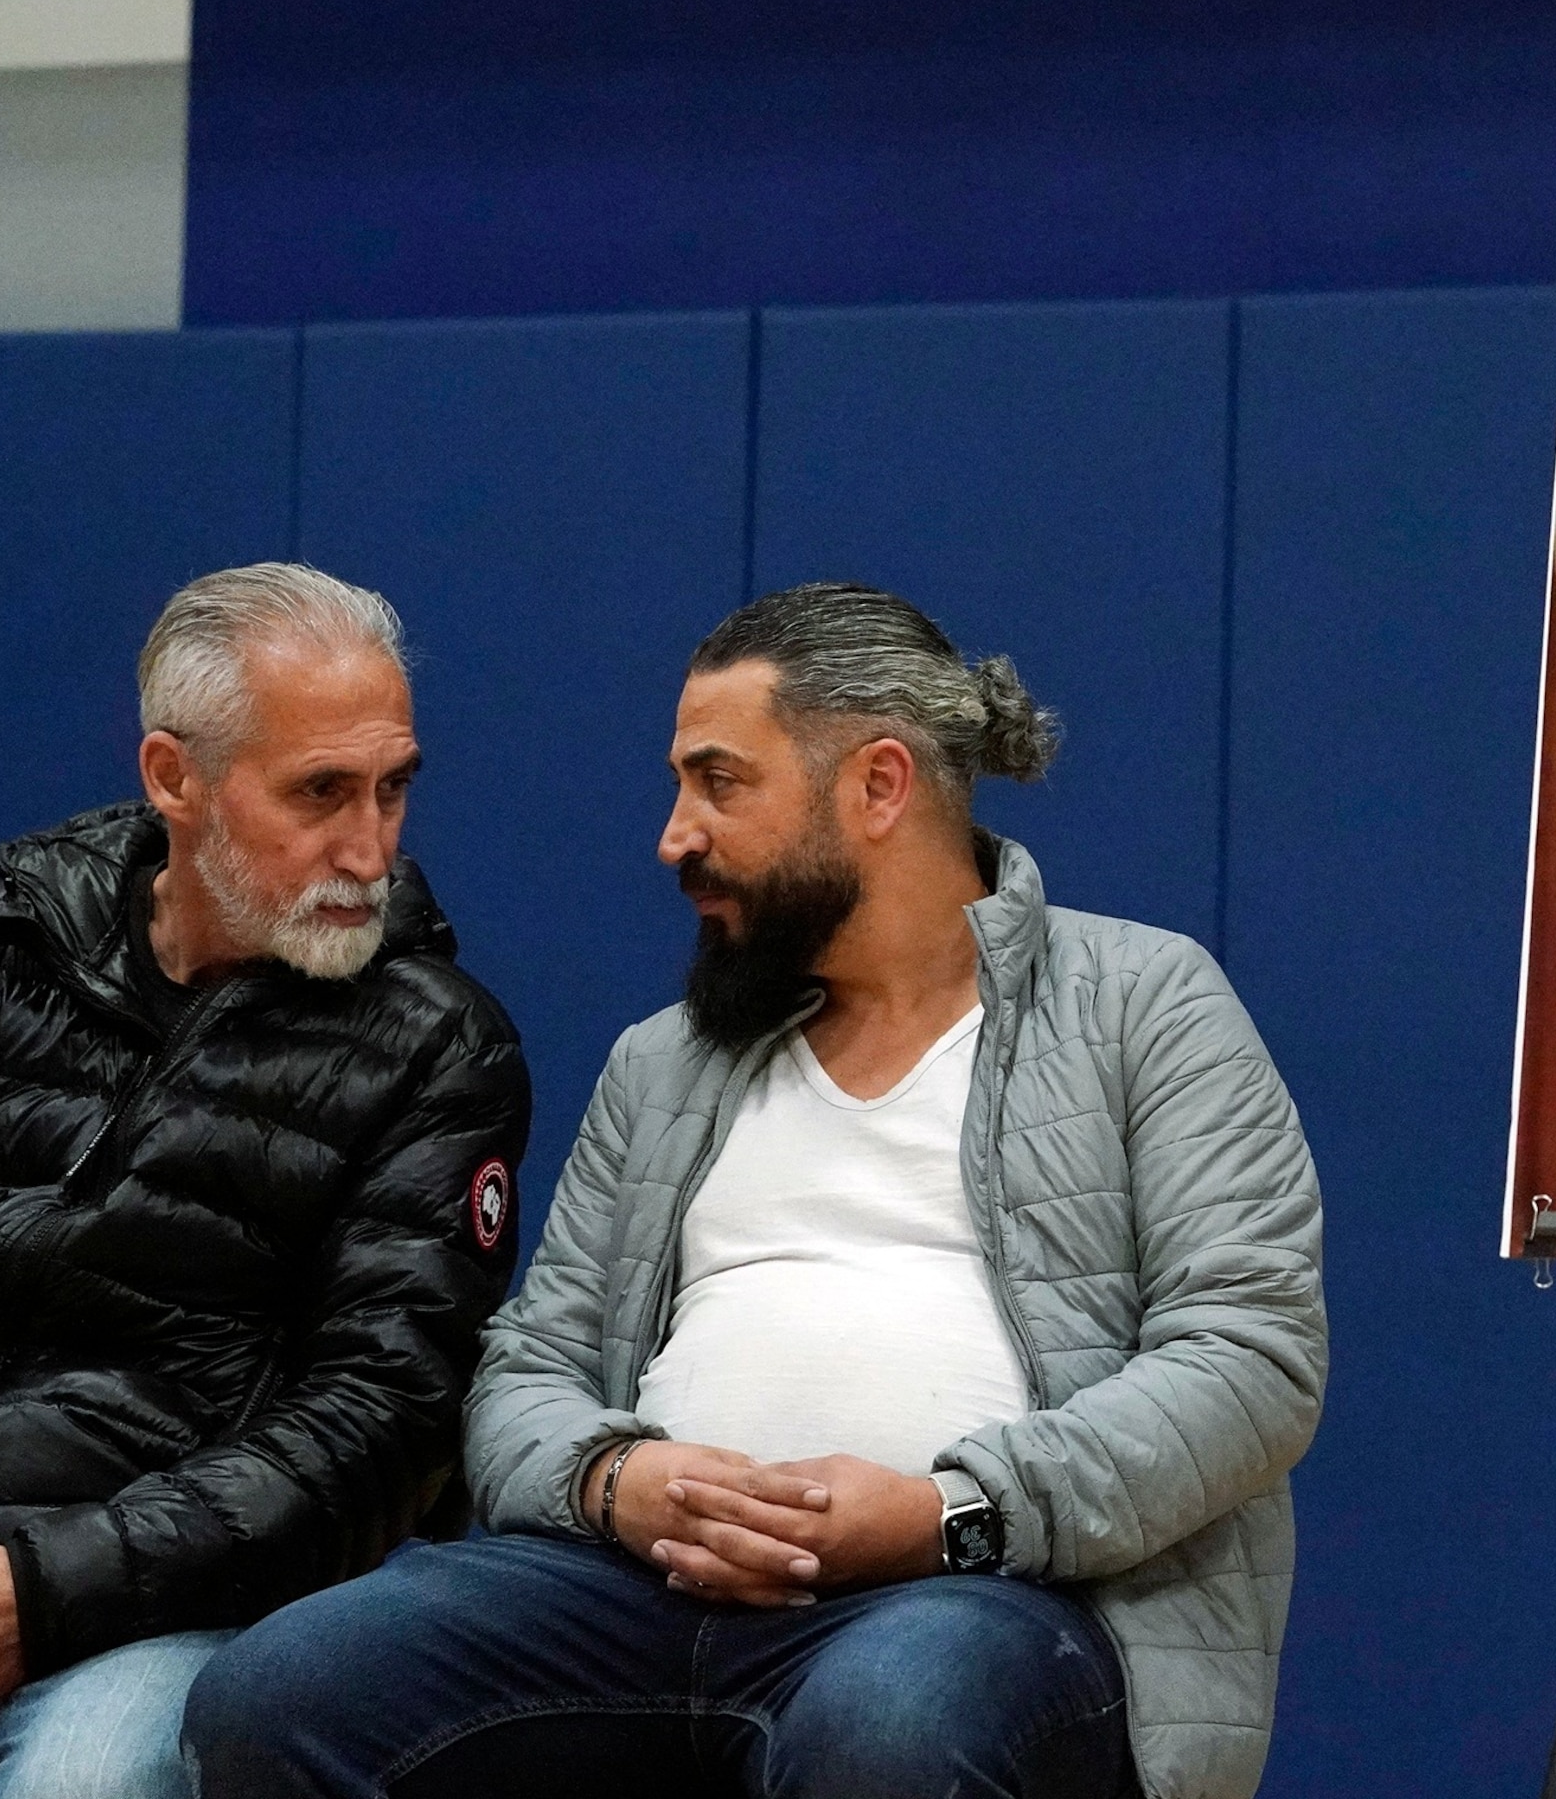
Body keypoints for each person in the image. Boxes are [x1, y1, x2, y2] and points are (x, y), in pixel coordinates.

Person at [185, 582, 1328, 1799]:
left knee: (889, 1725)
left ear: (879, 786)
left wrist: (950, 1509)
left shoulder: (1144, 1004)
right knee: (278, 1691)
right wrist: (615, 1480)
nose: (674, 835)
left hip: (992, 1594)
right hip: (631, 1589)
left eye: (719, 781)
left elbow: (1250, 1356)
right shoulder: (663, 1058)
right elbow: (526, 1366)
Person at [0, 564, 532, 1799]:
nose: (370, 847)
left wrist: (35, 1590)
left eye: (395, 787)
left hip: (166, 1618)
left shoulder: (439, 1043)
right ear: (173, 778)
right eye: (321, 792)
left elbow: (377, 1422)